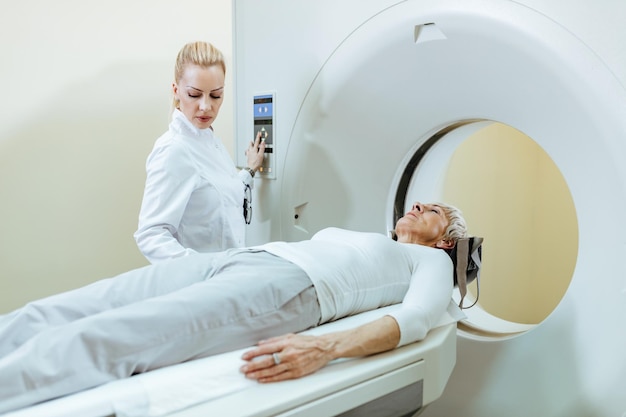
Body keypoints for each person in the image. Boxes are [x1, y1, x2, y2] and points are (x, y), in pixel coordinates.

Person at [0, 202, 468, 413]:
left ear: (444, 240)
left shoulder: (431, 262)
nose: (419, 205)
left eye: (433, 212)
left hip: (288, 290)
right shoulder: (367, 237)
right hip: (245, 259)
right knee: (72, 305)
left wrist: (324, 349)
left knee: (116, 334)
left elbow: (415, 319)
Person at [134, 41, 266, 264]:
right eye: (195, 95)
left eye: (216, 96)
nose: (206, 106)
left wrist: (250, 170)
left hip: (230, 278)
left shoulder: (209, 140)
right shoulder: (173, 150)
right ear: (176, 91)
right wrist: (205, 269)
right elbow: (151, 235)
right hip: (203, 284)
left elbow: (218, 195)